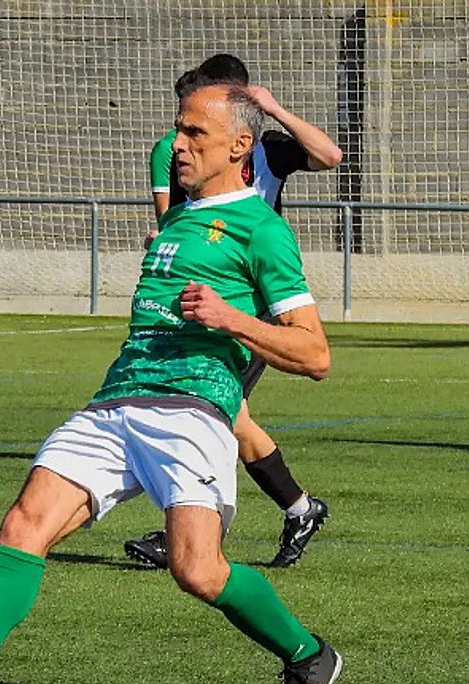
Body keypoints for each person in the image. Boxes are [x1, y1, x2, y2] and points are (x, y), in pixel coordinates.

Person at [0, 83, 342, 684]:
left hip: (192, 410)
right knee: (22, 525)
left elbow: (315, 355)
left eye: (194, 134)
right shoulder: (179, 218)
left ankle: (308, 655)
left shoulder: (263, 231)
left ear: (239, 146)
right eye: (177, 130)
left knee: (197, 571)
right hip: (115, 401)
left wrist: (231, 318)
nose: (176, 145)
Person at [127, 54, 343, 570]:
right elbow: (174, 218)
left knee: (214, 410)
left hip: (250, 303)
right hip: (195, 302)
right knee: (226, 414)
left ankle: (201, 533)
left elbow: (330, 155)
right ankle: (295, 508)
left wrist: (275, 109)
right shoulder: (176, 150)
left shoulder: (268, 150)